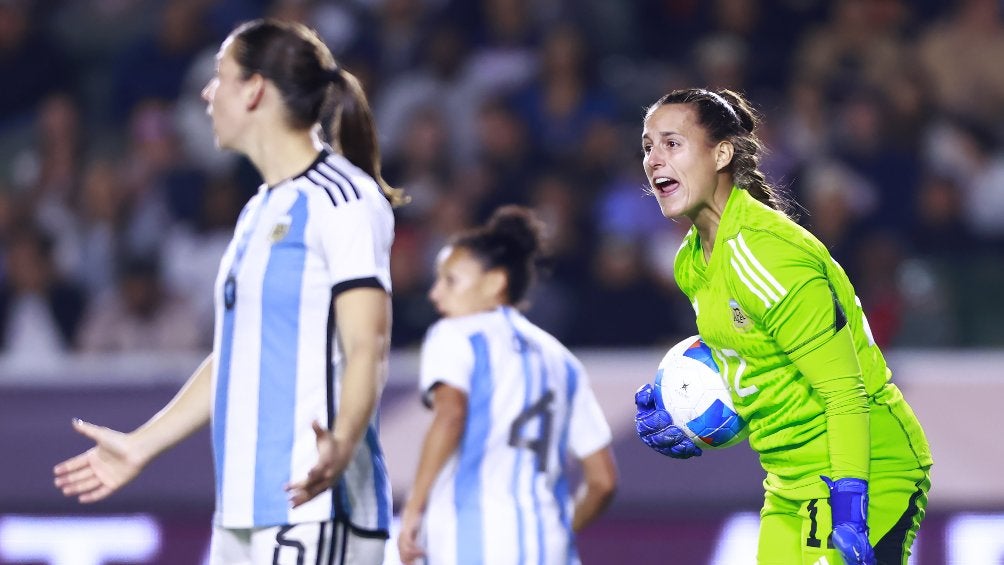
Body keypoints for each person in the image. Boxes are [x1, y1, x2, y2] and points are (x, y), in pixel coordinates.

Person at [53, 19, 407, 565]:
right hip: (241, 514)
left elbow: (369, 345)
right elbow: (239, 355)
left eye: (219, 76)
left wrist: (341, 441)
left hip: (314, 507)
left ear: (256, 90)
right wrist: (142, 443)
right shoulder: (258, 210)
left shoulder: (344, 199)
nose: (206, 92)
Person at [633, 88, 932, 565]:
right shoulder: (692, 262)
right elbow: (764, 378)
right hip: (790, 482)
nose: (653, 159)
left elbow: (844, 392)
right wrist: (690, 415)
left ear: (722, 154)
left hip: (865, 467)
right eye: (648, 146)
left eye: (671, 143)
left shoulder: (768, 256)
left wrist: (851, 507)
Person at [397, 206, 618, 565]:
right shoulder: (563, 361)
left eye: (450, 280)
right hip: (550, 548)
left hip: (470, 544)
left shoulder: (454, 335)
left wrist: (413, 508)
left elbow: (451, 415)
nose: (435, 294)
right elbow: (603, 481)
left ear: (495, 282)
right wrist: (561, 529)